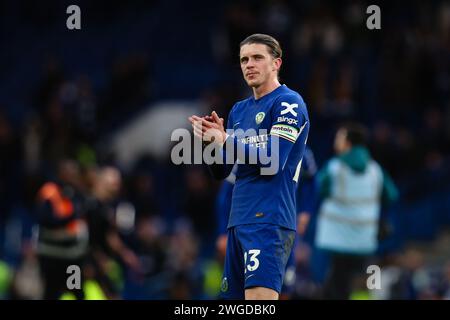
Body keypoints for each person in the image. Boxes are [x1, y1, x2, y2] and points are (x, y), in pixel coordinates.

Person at [189, 34, 310, 300]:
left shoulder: (288, 102)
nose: (249, 64)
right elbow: (221, 171)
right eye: (244, 59)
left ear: (276, 63)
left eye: (257, 58)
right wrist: (210, 144)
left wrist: (226, 139)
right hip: (239, 221)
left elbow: (273, 160)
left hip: (268, 220)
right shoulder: (239, 110)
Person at [314, 123, 399, 299]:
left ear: (347, 143)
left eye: (339, 137)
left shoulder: (334, 167)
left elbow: (319, 189)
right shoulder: (376, 170)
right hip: (364, 238)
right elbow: (391, 195)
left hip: (339, 239)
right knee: (363, 284)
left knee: (337, 287)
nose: (336, 141)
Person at [35, 159, 88, 300]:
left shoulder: (77, 193)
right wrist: (71, 217)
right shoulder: (49, 191)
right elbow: (46, 221)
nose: (74, 176)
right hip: (52, 257)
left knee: (76, 291)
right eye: (70, 172)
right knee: (51, 293)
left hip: (73, 258)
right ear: (61, 173)